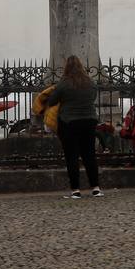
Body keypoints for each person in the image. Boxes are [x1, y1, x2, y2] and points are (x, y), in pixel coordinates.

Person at [45, 55, 103, 200]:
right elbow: (93, 96)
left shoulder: (64, 83)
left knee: (72, 156)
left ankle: (75, 190)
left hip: (69, 122)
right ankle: (96, 188)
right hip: (89, 121)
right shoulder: (90, 82)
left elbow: (52, 101)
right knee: (89, 155)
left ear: (66, 68)